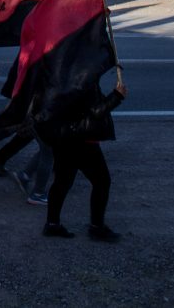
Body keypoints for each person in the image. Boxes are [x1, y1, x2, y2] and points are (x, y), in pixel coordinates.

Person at [38, 76, 127, 241]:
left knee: (62, 182)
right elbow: (96, 111)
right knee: (102, 181)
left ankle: (52, 223)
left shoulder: (64, 72)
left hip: (63, 135)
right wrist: (117, 96)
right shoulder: (85, 77)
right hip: (82, 139)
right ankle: (97, 227)